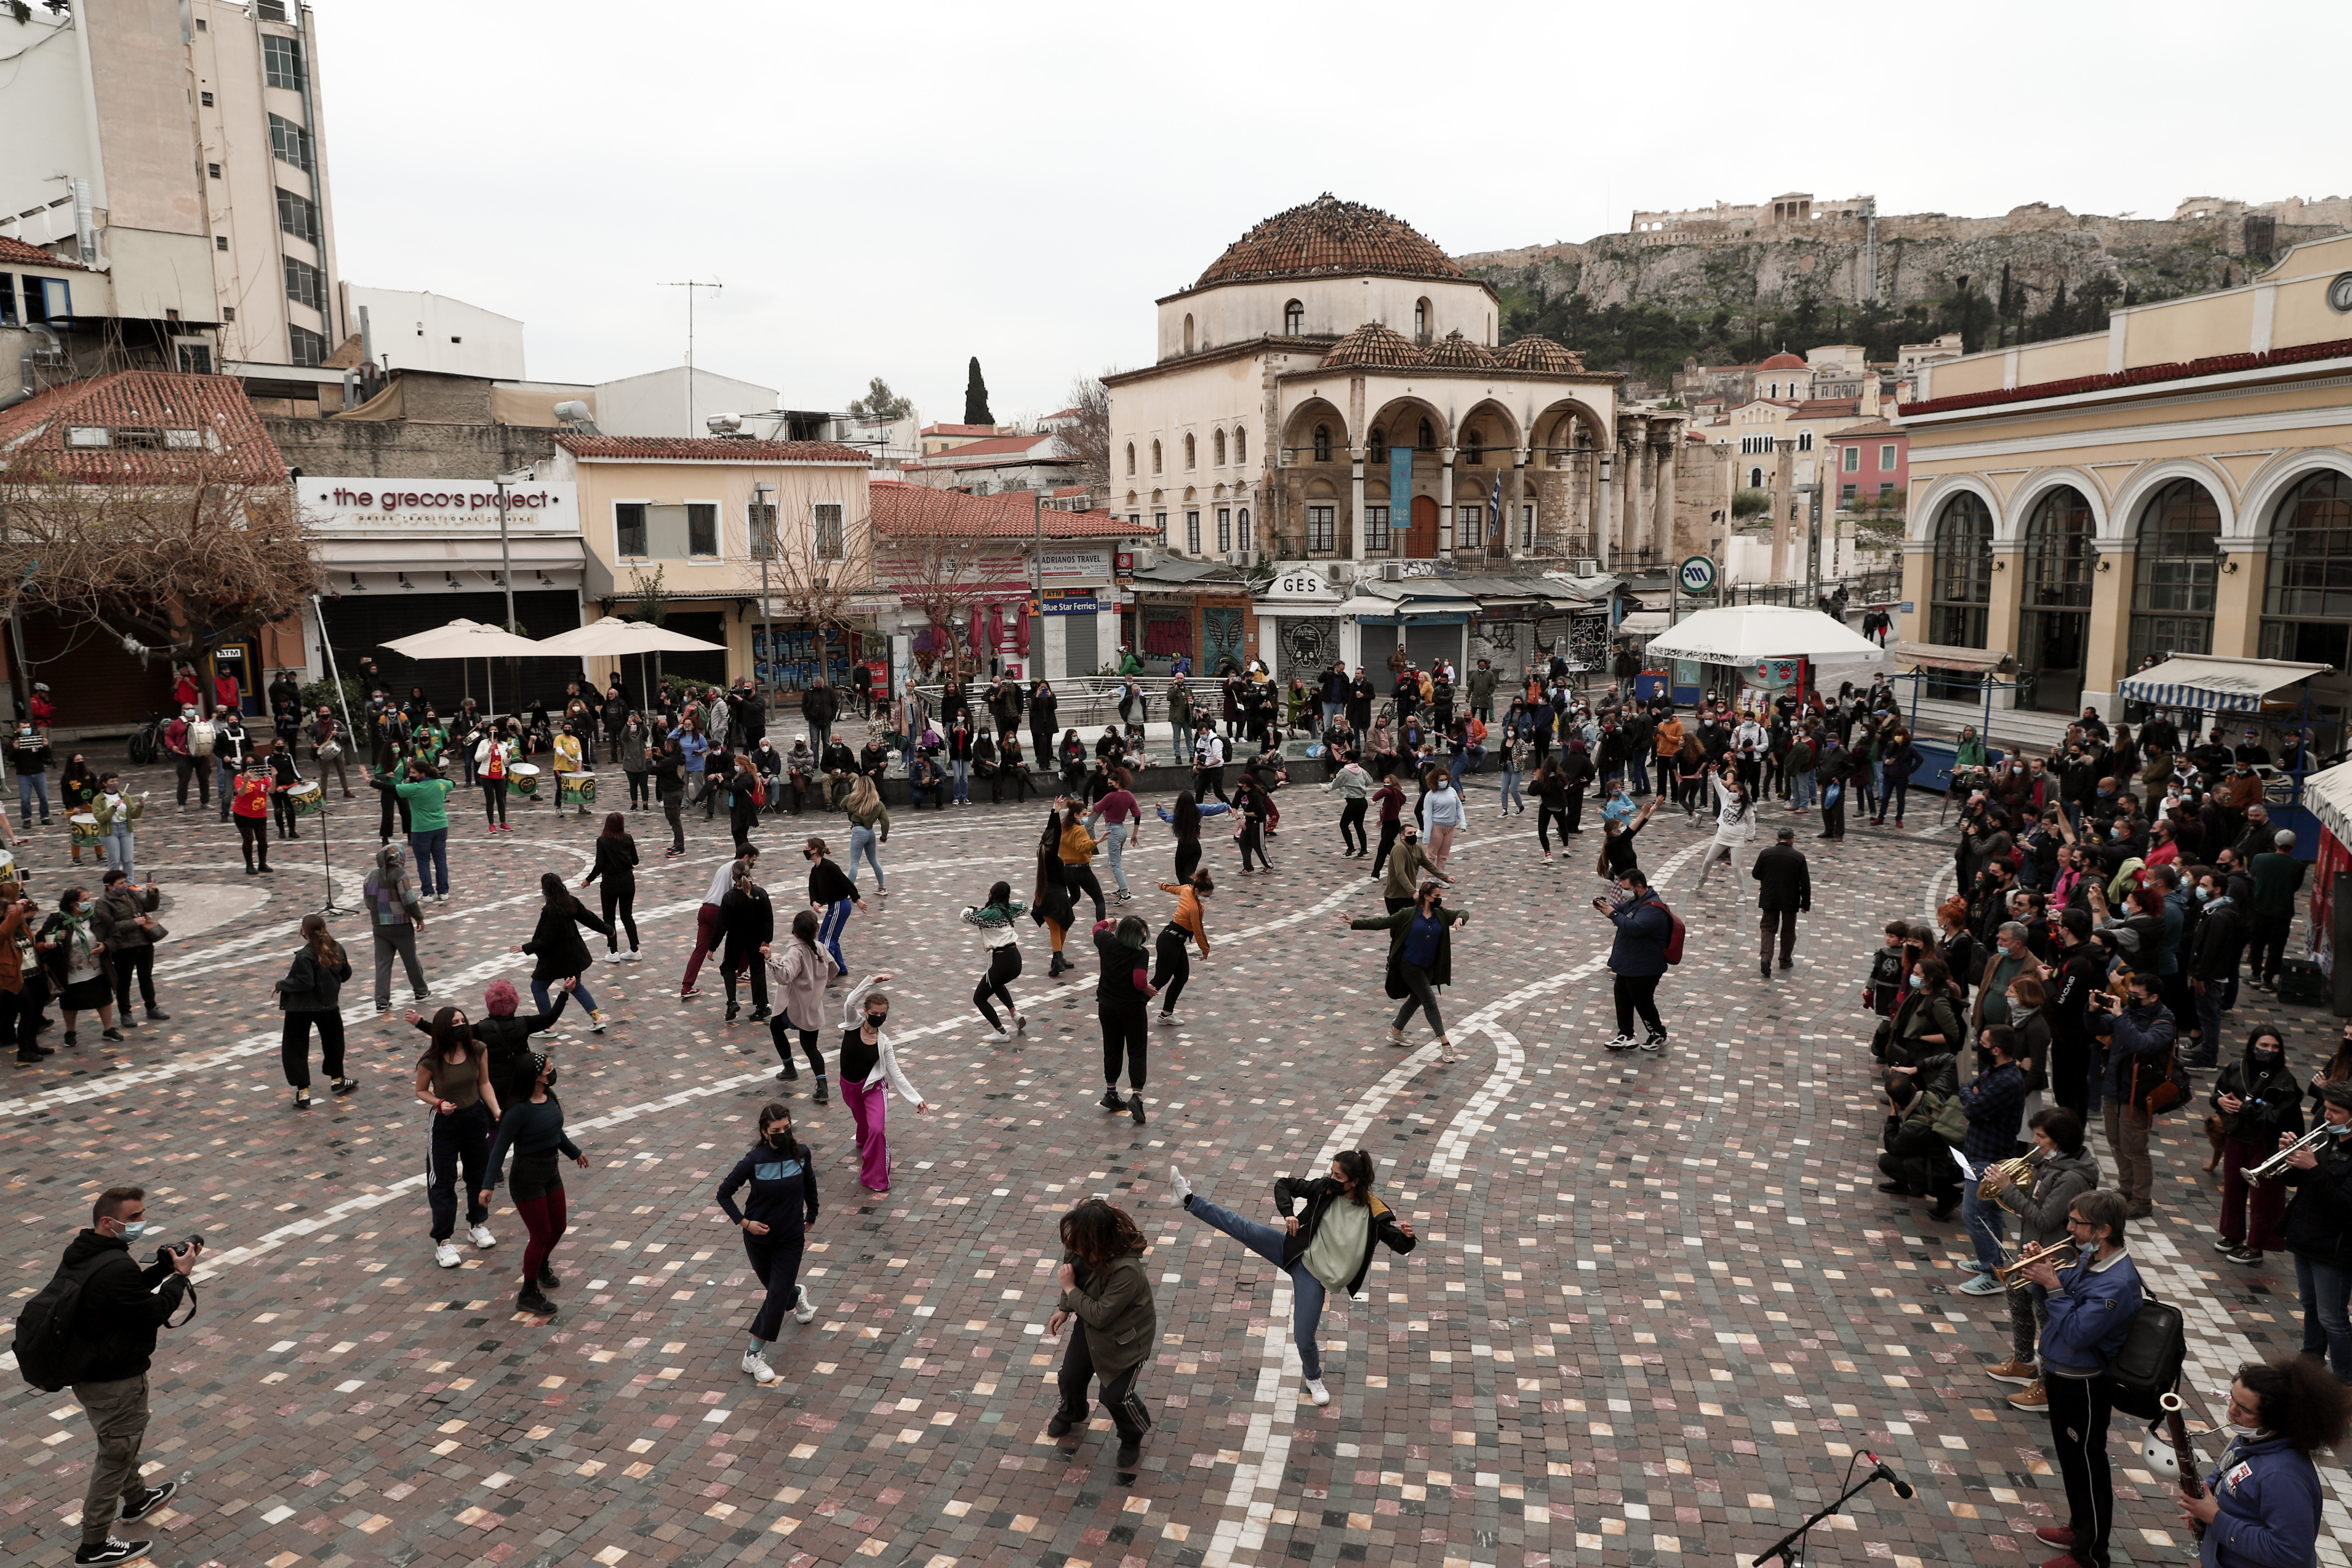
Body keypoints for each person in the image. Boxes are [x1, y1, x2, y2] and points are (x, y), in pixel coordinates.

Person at [1167, 1149, 1415, 1407]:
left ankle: (1313, 1378)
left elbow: (1397, 1243)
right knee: (1242, 1226)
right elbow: (1284, 1184)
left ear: (1355, 1182)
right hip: (1296, 1253)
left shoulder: (1374, 1212)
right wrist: (1289, 1213)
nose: (1331, 1178)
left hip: (1315, 1278)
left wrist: (1407, 1238)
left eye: (1338, 1176)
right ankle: (1188, 1198)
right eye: (1332, 1172)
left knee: (1303, 1338)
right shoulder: (1325, 1189)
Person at [49, 1186, 201, 1566]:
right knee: (115, 1455)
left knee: (120, 1440)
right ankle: (94, 1545)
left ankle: (137, 1499)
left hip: (89, 1373)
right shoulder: (115, 1265)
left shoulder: (85, 1253)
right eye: (134, 1217)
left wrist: (163, 1267)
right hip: (114, 1379)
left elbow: (124, 1294)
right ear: (107, 1221)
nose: (141, 1223)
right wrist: (180, 1278)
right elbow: (151, 1312)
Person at [2018, 1190, 2142, 1568]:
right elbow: (2057, 1302)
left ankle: (2090, 1554)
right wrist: (2043, 1277)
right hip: (2062, 1372)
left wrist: (2053, 1286)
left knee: (2087, 1463)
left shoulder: (2116, 1282)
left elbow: (2076, 1332)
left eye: (2077, 1223)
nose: (2069, 1228)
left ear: (2103, 1230)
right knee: (2072, 1460)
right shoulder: (2088, 1256)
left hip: (2084, 1382)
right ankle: (2079, 1526)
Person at [1979, 1107, 2099, 1413]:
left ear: (2059, 1140)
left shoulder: (2071, 1177)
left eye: (2041, 1136)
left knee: (2048, 1323)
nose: (2034, 1140)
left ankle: (2047, 1386)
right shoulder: (2048, 1163)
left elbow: (2045, 1219)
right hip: (2033, 1249)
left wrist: (2008, 1188)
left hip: (2052, 1258)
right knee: (2017, 1297)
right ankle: (2023, 1362)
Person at [2177, 1355, 2350, 1557]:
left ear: (2274, 1419)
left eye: (2244, 1409)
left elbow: (2291, 1553)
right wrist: (2204, 1498)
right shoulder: (2252, 1440)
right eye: (2232, 1398)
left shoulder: (2282, 1477)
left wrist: (2216, 1519)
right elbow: (2228, 1471)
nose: (2232, 1411)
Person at [1046, 1197, 1160, 1467]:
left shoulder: (1127, 1271)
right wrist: (1065, 1307)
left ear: (1100, 1241)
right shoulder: (1080, 1244)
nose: (1076, 1249)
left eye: (1082, 1245)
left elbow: (1100, 1314)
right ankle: (1073, 1411)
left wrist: (1071, 1291)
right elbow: (1071, 1271)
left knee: (1116, 1397)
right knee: (1070, 1377)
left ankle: (1133, 1434)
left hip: (1124, 1341)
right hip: (1088, 1330)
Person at [716, 1100, 822, 1384]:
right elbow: (724, 1193)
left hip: (791, 1239)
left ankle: (752, 1356)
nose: (784, 1133)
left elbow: (810, 1182)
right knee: (780, 1294)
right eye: (777, 1130)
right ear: (765, 1132)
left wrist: (812, 1211)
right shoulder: (754, 1160)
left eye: (787, 1128)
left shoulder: (802, 1154)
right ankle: (797, 1295)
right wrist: (746, 1223)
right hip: (758, 1240)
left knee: (774, 1298)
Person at [479, 1050, 588, 1319]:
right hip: (527, 1177)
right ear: (536, 1076)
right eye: (549, 1069)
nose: (553, 1072)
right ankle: (528, 1294)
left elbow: (556, 1130)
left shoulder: (548, 1097)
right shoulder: (517, 1111)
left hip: (550, 1171)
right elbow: (500, 1147)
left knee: (559, 1226)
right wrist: (487, 1184)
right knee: (540, 1235)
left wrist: (574, 1152)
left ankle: (540, 1265)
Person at [1339, 879, 1469, 1063]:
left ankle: (1396, 1032)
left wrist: (1460, 918)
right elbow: (1383, 922)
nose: (1440, 899)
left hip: (1429, 967)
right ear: (1426, 896)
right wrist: (1355, 922)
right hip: (1410, 966)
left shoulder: (1440, 914)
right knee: (1430, 1002)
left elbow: (1463, 912)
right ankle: (1446, 1044)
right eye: (1437, 896)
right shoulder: (1408, 914)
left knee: (1416, 1000)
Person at [413, 1006, 500, 1269]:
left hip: (475, 1117)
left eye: (463, 1021)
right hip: (446, 1124)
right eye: (455, 1023)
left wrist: (496, 1110)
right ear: (443, 1029)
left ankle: (478, 1225)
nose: (461, 1026)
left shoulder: (478, 1049)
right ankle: (443, 1241)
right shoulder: (431, 1060)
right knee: (443, 1181)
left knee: (478, 1173)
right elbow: (421, 1090)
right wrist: (439, 1103)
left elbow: (484, 1083)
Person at [2278, 1082, 2352, 1379]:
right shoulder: (2326, 1139)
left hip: (2335, 1249)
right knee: (2310, 1305)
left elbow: (2345, 1207)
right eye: (2326, 1108)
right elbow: (2301, 1185)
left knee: (2332, 1317)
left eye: (2335, 1111)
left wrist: (2313, 1168)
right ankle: (2311, 1361)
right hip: (2307, 1238)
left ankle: (2346, 1378)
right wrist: (2291, 1158)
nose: (2327, 1115)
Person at [2088, 970, 2175, 1218]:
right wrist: (2093, 1010)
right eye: (2130, 994)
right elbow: (2096, 1028)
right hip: (2114, 1088)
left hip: (2138, 1093)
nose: (2131, 999)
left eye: (2137, 995)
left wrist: (2119, 1018)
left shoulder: (2164, 1022)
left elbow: (2143, 1044)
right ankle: (2126, 1190)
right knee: (2116, 1143)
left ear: (2154, 997)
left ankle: (2142, 1200)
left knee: (2135, 1149)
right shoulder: (2130, 1013)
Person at [1955, 1027, 2031, 1294]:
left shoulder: (2006, 1080)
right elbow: (1967, 1090)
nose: (1979, 1046)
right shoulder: (1997, 1072)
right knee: (1991, 1212)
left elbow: (1972, 1107)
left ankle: (1992, 1272)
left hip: (1990, 1156)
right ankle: (1992, 1260)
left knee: (1975, 1214)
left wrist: (1975, 1101)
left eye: (1983, 1043)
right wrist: (1974, 1098)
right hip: (1980, 1150)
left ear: (1996, 1050)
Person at [838, 972, 928, 1193]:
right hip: (849, 1088)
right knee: (863, 1123)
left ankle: (876, 1178)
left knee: (877, 1130)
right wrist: (871, 981)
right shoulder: (852, 1024)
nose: (878, 1017)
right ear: (865, 1012)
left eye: (883, 1015)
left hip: (873, 1089)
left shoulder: (884, 1042)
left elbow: (896, 1073)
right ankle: (863, 1139)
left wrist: (917, 1099)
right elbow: (850, 1001)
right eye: (874, 1013)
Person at [273, 912, 353, 1109]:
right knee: (334, 1041)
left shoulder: (305, 955)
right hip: (329, 1005)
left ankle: (303, 1093)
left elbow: (305, 983)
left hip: (301, 1008)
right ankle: (337, 1079)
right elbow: (346, 974)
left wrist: (281, 984)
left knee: (296, 1047)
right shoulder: (336, 948)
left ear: (304, 931)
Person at [1595, 866, 1671, 1052]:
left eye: (1627, 890)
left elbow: (1633, 928)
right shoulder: (1636, 902)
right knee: (1622, 999)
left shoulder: (1653, 909)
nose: (1624, 894)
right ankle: (1626, 1035)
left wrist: (1612, 914)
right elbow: (1619, 909)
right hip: (1629, 964)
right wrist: (1603, 906)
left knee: (1643, 1002)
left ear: (1638, 887)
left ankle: (1659, 1035)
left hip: (1645, 967)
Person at [1093, 913, 1158, 1123]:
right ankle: (1137, 1097)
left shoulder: (1106, 941)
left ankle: (1111, 1093)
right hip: (1132, 1008)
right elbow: (1139, 981)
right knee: (1137, 1051)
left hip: (1107, 1006)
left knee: (1112, 1048)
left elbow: (1097, 928)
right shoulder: (1140, 954)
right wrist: (1147, 988)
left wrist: (1111, 920)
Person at [90, 870, 166, 1028]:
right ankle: (126, 1013)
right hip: (124, 947)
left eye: (125, 882)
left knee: (146, 977)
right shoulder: (104, 903)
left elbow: (149, 907)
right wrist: (133, 923)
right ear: (110, 886)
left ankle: (152, 1007)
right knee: (124, 982)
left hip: (144, 943)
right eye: (121, 883)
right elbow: (107, 927)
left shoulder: (132, 894)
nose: (125, 885)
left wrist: (152, 893)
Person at [680, 845, 756, 1001]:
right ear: (747, 857)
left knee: (700, 949)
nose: (752, 865)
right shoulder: (736, 869)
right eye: (753, 861)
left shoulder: (724, 866)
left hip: (706, 908)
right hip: (720, 911)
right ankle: (742, 971)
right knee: (748, 935)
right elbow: (737, 891)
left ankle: (687, 986)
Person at [961, 882, 1029, 1041]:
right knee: (996, 983)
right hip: (1015, 960)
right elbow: (1025, 906)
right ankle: (1014, 1013)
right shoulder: (1010, 910)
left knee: (979, 998)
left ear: (992, 894)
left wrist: (971, 907)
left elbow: (964, 916)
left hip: (1002, 961)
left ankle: (1001, 1032)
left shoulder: (991, 914)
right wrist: (1008, 904)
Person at [577, 811, 640, 962]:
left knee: (609, 918)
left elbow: (599, 865)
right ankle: (635, 949)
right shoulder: (628, 838)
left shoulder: (603, 841)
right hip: (627, 880)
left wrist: (588, 880)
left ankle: (614, 951)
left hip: (610, 883)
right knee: (627, 916)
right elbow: (636, 861)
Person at [1749, 824, 1811, 981]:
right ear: (1792, 841)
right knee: (1789, 930)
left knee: (1768, 928)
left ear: (1777, 839)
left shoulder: (1766, 854)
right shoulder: (1798, 857)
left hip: (1769, 897)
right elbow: (1805, 883)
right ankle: (1785, 960)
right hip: (1790, 900)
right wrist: (1805, 904)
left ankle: (1766, 957)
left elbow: (1756, 874)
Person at [1153, 870, 1211, 1029]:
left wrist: (1163, 886)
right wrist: (1206, 950)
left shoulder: (1187, 889)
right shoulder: (1195, 908)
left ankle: (1166, 1014)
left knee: (1182, 976)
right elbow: (1199, 930)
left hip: (1172, 939)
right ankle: (1134, 1005)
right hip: (1171, 942)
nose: (1206, 899)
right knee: (1161, 979)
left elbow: (1175, 888)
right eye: (1205, 896)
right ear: (1198, 891)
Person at [719, 862, 774, 1024]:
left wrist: (712, 946)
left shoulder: (730, 897)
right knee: (757, 969)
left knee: (728, 967)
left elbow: (721, 924)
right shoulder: (760, 893)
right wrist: (767, 940)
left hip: (736, 938)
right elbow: (768, 918)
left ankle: (732, 1003)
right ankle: (762, 1006)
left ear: (733, 876)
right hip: (757, 938)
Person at [805, 836, 865, 978]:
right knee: (829, 937)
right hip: (835, 905)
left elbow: (846, 883)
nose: (805, 850)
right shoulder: (816, 870)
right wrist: (814, 902)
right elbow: (812, 888)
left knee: (825, 940)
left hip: (840, 905)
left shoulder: (829, 867)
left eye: (807, 848)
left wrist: (857, 899)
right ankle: (840, 969)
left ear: (815, 850)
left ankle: (828, 971)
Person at [1694, 762, 1759, 890]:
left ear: (1741, 793)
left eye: (1735, 792)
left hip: (1737, 839)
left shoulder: (1747, 807)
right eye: (1731, 791)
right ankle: (1703, 878)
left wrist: (1751, 836)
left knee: (1736, 867)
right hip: (1722, 837)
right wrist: (1713, 772)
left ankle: (1742, 891)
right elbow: (1717, 784)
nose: (1732, 793)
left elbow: (1751, 822)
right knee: (1708, 861)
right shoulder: (1725, 797)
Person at [844, 774, 890, 893]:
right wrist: (884, 837)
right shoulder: (878, 804)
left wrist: (855, 796)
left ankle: (848, 891)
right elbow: (886, 822)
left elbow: (842, 804)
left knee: (854, 863)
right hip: (871, 833)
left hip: (858, 831)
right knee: (874, 861)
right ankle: (882, 887)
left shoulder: (853, 798)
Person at [1324, 751, 1372, 857]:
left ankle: (1351, 850)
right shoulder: (1361, 770)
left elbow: (1334, 785)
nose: (1342, 760)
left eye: (1344, 759)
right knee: (1359, 826)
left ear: (1349, 760)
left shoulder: (1344, 771)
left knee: (1344, 825)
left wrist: (1324, 788)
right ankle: (1364, 851)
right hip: (1363, 802)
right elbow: (1370, 781)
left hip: (1353, 802)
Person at [1419, 767, 1465, 870]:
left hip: (1451, 827)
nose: (1444, 782)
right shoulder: (1430, 796)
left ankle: (1441, 877)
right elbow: (1427, 816)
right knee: (1431, 855)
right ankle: (1428, 879)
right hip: (1437, 827)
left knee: (1444, 856)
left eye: (1445, 780)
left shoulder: (1452, 791)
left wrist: (1463, 823)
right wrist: (1427, 835)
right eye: (1441, 781)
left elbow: (1459, 807)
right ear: (1435, 781)